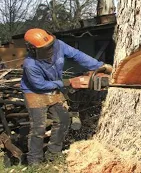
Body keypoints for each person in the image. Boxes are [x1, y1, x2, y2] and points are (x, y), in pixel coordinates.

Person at [20, 28, 112, 165]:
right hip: (35, 93)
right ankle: (35, 161)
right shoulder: (30, 64)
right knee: (39, 127)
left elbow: (77, 55)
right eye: (45, 49)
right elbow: (40, 85)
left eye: (50, 46)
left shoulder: (59, 45)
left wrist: (100, 66)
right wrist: (69, 82)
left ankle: (53, 155)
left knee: (63, 120)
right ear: (33, 50)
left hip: (54, 88)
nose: (50, 50)